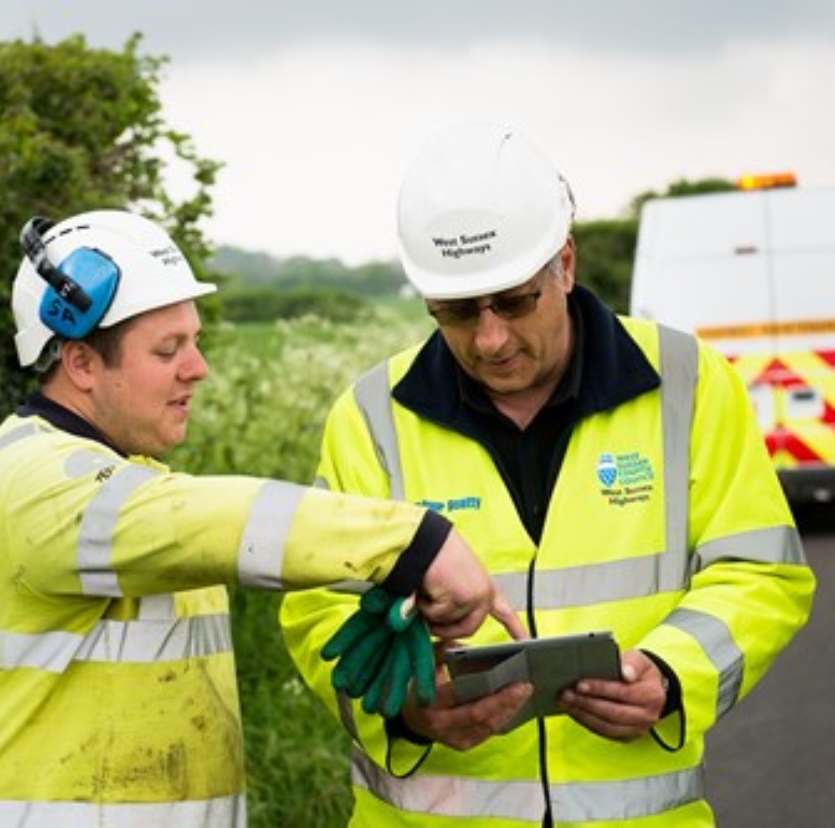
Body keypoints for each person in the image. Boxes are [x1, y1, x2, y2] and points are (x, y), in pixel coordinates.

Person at [279, 122, 817, 827]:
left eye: (513, 301)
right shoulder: (370, 416)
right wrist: (407, 708)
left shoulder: (687, 383)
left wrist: (670, 672)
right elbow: (320, 610)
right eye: (458, 312)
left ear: (565, 263)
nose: (490, 338)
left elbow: (760, 571)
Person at [0, 208, 524, 828]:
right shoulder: (31, 479)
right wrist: (414, 542)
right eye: (168, 349)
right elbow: (203, 517)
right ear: (80, 364)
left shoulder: (129, 477)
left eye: (196, 341)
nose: (198, 368)